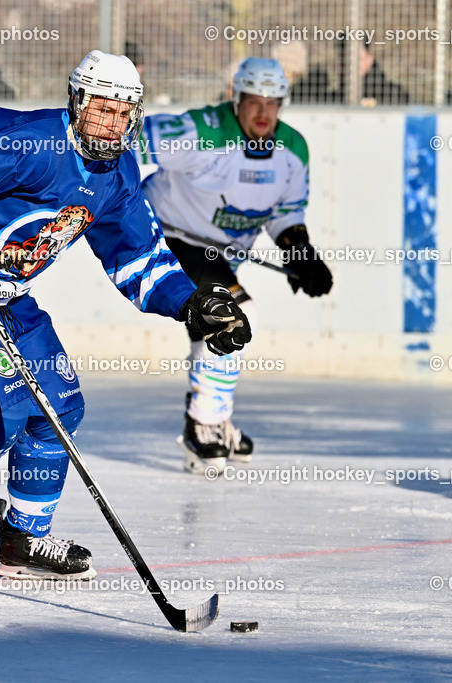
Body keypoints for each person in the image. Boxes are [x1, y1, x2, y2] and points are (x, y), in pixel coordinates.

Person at [0, 50, 251, 584]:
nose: (112, 124)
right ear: (77, 102)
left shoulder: (118, 172)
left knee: (59, 407)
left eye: (124, 113)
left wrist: (192, 303)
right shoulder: (27, 139)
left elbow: (138, 257)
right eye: (102, 108)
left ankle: (24, 538)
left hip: (6, 294)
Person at [136, 58, 333, 474]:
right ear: (236, 99)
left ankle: (213, 416)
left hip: (220, 252)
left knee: (213, 320)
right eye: (254, 101)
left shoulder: (293, 151)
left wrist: (299, 250)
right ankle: (203, 425)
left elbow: (285, 213)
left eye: (273, 103)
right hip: (169, 236)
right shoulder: (201, 132)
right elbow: (124, 137)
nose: (263, 113)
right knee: (236, 315)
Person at [330, 39, 409, 106]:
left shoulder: (394, 94)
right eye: (344, 59)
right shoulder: (335, 98)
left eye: (357, 58)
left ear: (370, 57)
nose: (350, 65)